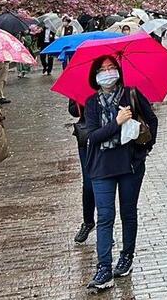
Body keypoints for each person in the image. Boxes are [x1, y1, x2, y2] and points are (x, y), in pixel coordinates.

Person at [82, 56, 157, 291]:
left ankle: (126, 256)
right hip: (101, 167)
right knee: (105, 217)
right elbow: (91, 136)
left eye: (112, 68)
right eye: (102, 69)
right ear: (95, 76)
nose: (107, 73)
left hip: (130, 166)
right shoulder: (91, 103)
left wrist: (144, 148)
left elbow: (152, 121)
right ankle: (104, 267)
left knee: (128, 212)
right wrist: (117, 122)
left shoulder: (131, 95)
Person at [69, 97, 96, 245]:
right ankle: (88, 221)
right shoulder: (81, 82)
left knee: (105, 185)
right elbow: (72, 110)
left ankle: (106, 229)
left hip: (109, 136)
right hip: (86, 138)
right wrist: (80, 100)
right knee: (89, 184)